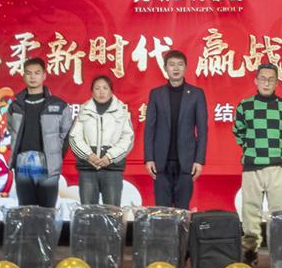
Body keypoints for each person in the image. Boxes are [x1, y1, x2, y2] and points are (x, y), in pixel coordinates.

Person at [233, 63, 282, 266]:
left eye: (271, 79)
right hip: (252, 166)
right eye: (263, 78)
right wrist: (251, 148)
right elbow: (238, 131)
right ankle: (250, 252)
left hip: (277, 167)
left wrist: (277, 149)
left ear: (277, 82)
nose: (266, 83)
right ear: (256, 81)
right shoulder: (245, 106)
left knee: (280, 212)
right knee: (250, 212)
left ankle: (280, 253)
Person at [143, 50, 208, 209]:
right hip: (161, 162)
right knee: (162, 210)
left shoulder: (196, 94)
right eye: (171, 65)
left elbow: (202, 130)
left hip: (186, 162)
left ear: (185, 68)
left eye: (180, 64)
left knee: (182, 209)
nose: (176, 68)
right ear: (165, 68)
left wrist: (199, 160)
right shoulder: (156, 94)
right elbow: (149, 129)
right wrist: (149, 158)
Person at [7, 57, 74, 208]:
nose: (33, 77)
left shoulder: (59, 105)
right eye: (29, 73)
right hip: (22, 164)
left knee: (47, 212)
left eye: (37, 73)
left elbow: (67, 134)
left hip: (48, 165)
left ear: (44, 75)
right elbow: (11, 129)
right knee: (26, 211)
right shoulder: (15, 106)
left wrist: (55, 155)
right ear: (23, 76)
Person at [69, 75, 134, 206]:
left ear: (111, 91)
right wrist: (89, 155)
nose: (101, 92)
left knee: (112, 212)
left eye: (105, 88)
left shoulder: (121, 111)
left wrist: (109, 157)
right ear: (92, 91)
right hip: (88, 169)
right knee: (88, 212)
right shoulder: (84, 110)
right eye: (97, 88)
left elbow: (128, 138)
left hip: (112, 169)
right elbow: (74, 137)